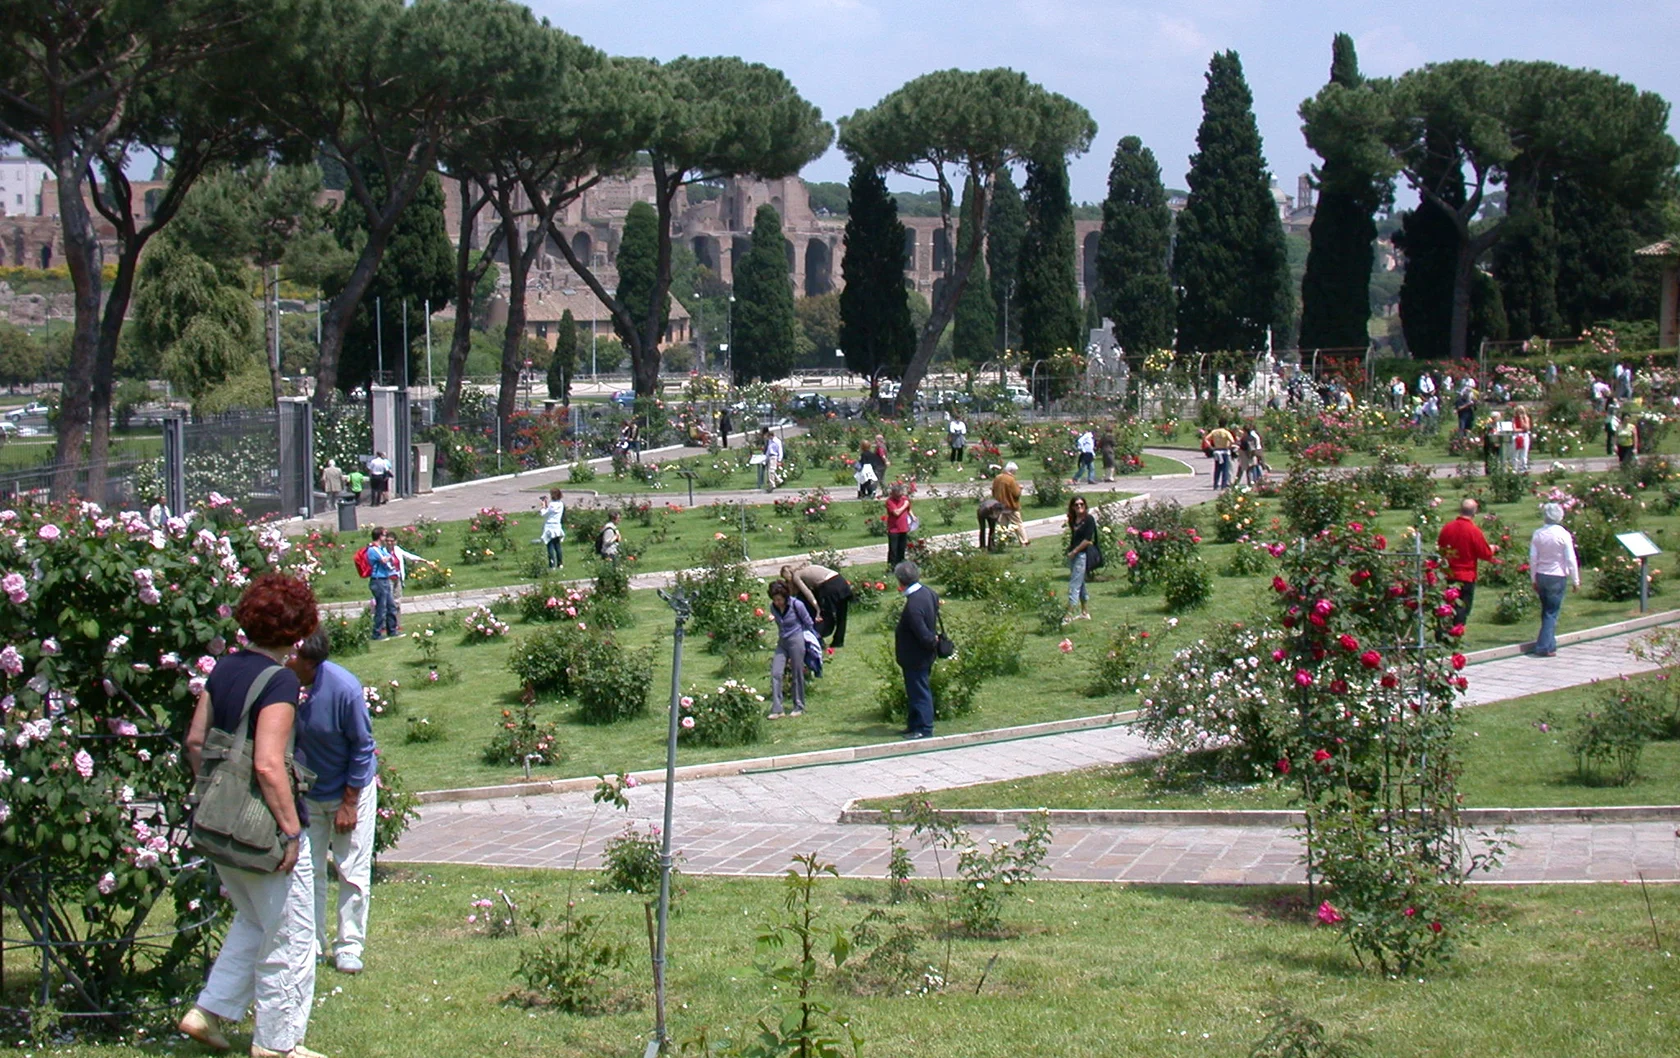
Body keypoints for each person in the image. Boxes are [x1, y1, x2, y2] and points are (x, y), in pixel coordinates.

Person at [179, 573, 324, 1058]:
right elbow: (268, 761)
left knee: (252, 921)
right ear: (297, 629)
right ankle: (278, 1045)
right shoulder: (280, 679)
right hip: (263, 831)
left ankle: (208, 1011)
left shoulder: (224, 668)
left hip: (219, 825)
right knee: (293, 934)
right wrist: (289, 830)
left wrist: (221, 797)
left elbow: (196, 742)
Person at [288, 630, 377, 977]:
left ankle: (349, 946)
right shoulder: (288, 685)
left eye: (293, 657)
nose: (287, 660)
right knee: (306, 871)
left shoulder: (344, 689)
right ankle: (309, 943)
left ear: (310, 663)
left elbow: (362, 746)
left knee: (351, 868)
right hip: (308, 794)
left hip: (348, 791)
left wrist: (349, 803)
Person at [894, 561, 940, 741]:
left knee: (919, 691)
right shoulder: (928, 592)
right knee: (914, 690)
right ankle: (913, 724)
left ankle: (924, 728)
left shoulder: (913, 605)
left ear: (901, 581)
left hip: (916, 655)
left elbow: (922, 633)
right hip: (922, 654)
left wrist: (931, 641)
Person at [1528, 502, 1580, 658]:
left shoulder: (1538, 534)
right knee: (1552, 612)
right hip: (1557, 576)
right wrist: (1575, 579)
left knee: (1546, 611)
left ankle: (1550, 644)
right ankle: (1543, 646)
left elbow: (1533, 558)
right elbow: (1570, 559)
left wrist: (1533, 578)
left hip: (1541, 574)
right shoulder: (1563, 534)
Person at [1436, 498, 1495, 627]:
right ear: (1474, 513)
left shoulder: (1447, 528)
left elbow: (1440, 548)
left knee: (1447, 607)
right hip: (1465, 575)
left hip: (1447, 574)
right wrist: (1493, 548)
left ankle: (1444, 632)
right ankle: (1456, 635)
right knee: (1462, 609)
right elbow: (1485, 554)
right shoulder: (1473, 531)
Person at [766, 580, 816, 718]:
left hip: (796, 640)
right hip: (782, 642)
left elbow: (808, 622)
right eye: (775, 599)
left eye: (780, 599)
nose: (777, 602)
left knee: (797, 673)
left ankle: (799, 705)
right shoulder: (773, 607)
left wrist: (813, 642)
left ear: (785, 597)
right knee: (776, 673)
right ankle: (777, 709)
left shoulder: (796, 605)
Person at [782, 562, 854, 648]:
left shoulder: (796, 576)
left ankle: (817, 639)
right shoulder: (806, 568)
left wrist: (818, 609)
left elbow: (808, 593)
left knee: (825, 617)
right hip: (840, 581)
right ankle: (838, 641)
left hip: (829, 585)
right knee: (841, 615)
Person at [1063, 496, 1097, 624]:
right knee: (1080, 582)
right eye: (1076, 505)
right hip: (1073, 553)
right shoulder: (1072, 520)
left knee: (1074, 584)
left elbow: (1087, 540)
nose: (1079, 507)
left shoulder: (1089, 520)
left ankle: (1069, 613)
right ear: (1072, 507)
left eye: (1081, 504)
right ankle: (1085, 611)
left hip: (1081, 554)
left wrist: (1075, 551)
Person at [365, 528, 399, 641]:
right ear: (380, 537)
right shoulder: (373, 550)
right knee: (381, 607)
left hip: (385, 579)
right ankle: (376, 633)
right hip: (378, 580)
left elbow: (391, 559)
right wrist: (387, 558)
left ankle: (392, 630)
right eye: (384, 536)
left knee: (391, 605)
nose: (386, 538)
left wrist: (388, 558)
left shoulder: (381, 549)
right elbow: (384, 560)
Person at [992, 462, 1027, 548]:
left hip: (1000, 506)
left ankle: (1002, 542)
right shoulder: (1011, 480)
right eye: (1014, 471)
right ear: (1011, 470)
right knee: (1018, 524)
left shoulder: (997, 478)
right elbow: (1016, 493)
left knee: (1003, 526)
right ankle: (1024, 541)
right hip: (1011, 506)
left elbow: (993, 491)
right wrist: (1020, 488)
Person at [884, 484, 912, 567]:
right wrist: (905, 505)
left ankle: (901, 566)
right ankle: (891, 567)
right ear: (893, 493)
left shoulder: (904, 499)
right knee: (893, 550)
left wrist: (912, 516)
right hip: (894, 529)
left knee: (902, 549)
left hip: (903, 528)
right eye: (897, 495)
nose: (900, 497)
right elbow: (896, 513)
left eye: (900, 494)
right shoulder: (890, 501)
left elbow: (909, 509)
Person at [538, 488, 566, 569]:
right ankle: (560, 563)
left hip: (549, 526)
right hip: (557, 526)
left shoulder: (551, 505)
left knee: (550, 545)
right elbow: (552, 511)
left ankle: (552, 564)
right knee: (557, 545)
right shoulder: (561, 504)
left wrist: (543, 506)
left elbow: (544, 513)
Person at [1203, 423, 1235, 489]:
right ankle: (1223, 485)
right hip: (1224, 451)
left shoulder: (1214, 432)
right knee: (1225, 469)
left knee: (1217, 469)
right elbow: (1232, 441)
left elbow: (1206, 439)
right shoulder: (1226, 432)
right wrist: (1229, 446)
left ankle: (1215, 484)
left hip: (1217, 450)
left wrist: (1210, 446)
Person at [1510, 404, 1533, 473]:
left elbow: (1527, 428)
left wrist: (1522, 420)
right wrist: (1522, 429)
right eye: (1518, 412)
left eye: (1521, 411)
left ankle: (1523, 467)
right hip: (1516, 436)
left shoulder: (1526, 418)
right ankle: (1514, 468)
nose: (1520, 413)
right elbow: (1514, 429)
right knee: (1515, 453)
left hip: (1525, 435)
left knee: (1524, 452)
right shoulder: (1514, 419)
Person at [763, 427, 784, 491]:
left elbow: (780, 450)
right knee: (771, 471)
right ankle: (780, 480)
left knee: (771, 471)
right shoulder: (770, 441)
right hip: (770, 456)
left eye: (769, 436)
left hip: (774, 456)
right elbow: (769, 450)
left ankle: (772, 485)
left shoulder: (777, 441)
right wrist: (766, 458)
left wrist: (779, 460)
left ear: (772, 436)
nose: (768, 438)